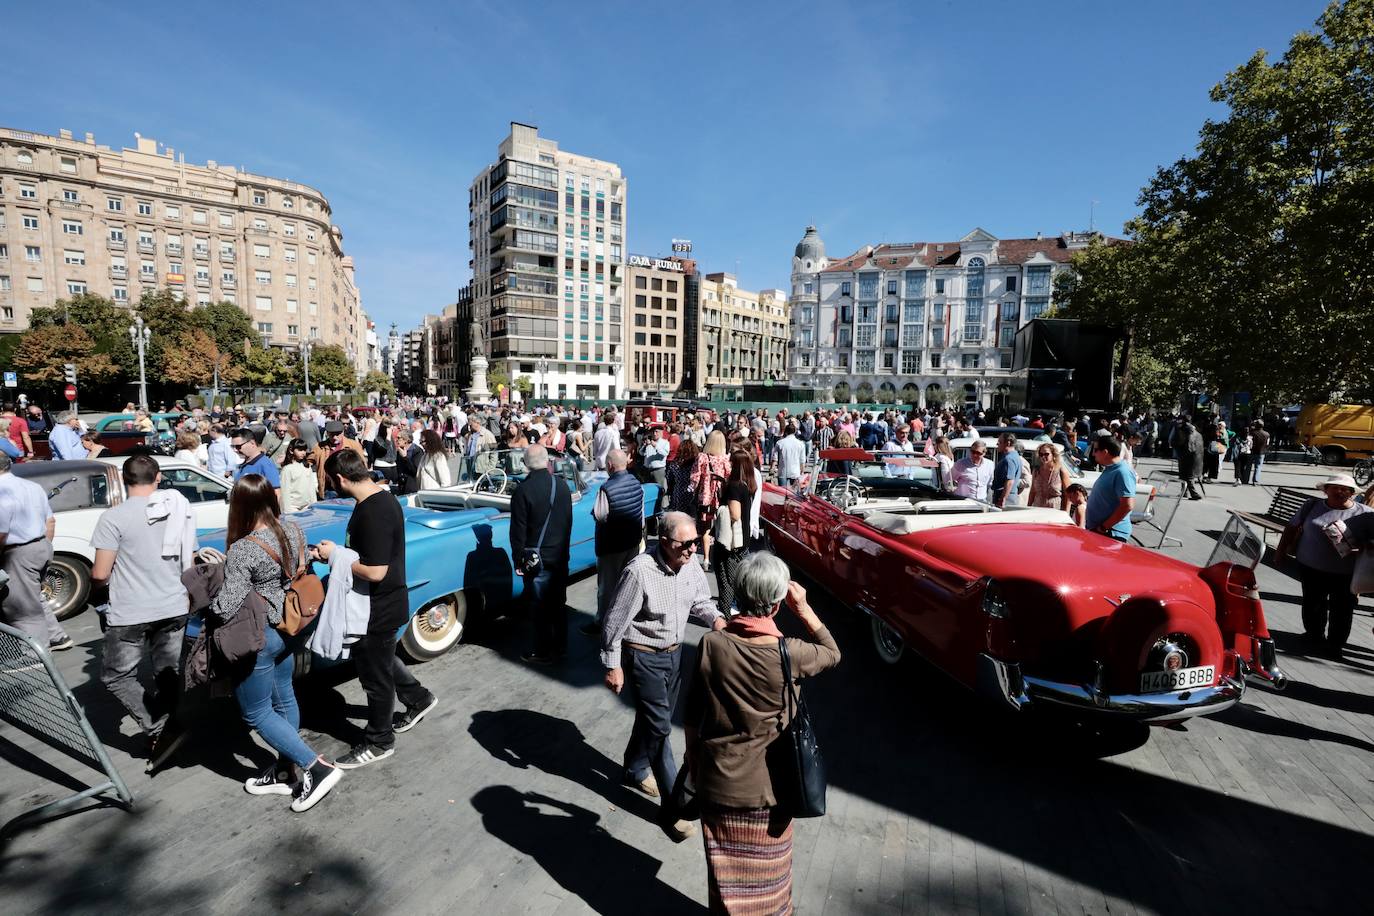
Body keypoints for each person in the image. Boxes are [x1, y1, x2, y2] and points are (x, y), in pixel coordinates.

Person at [684, 553, 840, 913]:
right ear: (775, 602)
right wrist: (803, 608)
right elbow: (833, 653)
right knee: (770, 886)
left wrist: (694, 762)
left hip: (718, 786)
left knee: (724, 886)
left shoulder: (713, 645)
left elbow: (692, 714)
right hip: (772, 792)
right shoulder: (792, 653)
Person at [209, 474, 342, 812]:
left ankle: (316, 767)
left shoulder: (243, 549)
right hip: (291, 627)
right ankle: (286, 769)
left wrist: (215, 571)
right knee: (284, 697)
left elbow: (226, 606)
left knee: (256, 713)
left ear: (239, 505)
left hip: (260, 634)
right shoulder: (294, 529)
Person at [600, 511, 727, 840]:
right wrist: (612, 665)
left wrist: (717, 620)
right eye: (687, 545)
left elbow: (700, 600)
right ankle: (674, 809)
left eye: (697, 543)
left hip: (673, 655)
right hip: (643, 657)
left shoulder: (691, 562)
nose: (694, 550)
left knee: (655, 717)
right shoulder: (639, 571)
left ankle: (634, 767)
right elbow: (614, 621)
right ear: (667, 542)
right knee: (660, 729)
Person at [317, 449, 437, 767]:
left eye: (332, 480)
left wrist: (335, 555)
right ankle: (419, 698)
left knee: (375, 677)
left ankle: (379, 741)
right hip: (382, 603)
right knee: (382, 661)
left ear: (341, 478)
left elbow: (375, 571)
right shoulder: (380, 499)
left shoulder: (373, 511)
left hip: (377, 607)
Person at [90, 454, 196, 771]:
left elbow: (99, 574)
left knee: (116, 675)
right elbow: (187, 557)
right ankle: (166, 727)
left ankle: (160, 727)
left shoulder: (114, 517)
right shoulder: (178, 510)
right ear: (159, 477)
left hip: (132, 611)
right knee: (166, 672)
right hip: (174, 604)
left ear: (124, 480)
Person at [1278, 473, 1370, 657]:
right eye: (1334, 487)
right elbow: (1291, 527)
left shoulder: (1365, 513)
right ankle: (1313, 636)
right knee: (1312, 605)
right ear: (1326, 490)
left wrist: (1360, 546)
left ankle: (1335, 646)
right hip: (1310, 567)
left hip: (1346, 573)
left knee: (1342, 611)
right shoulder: (1311, 506)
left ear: (1352, 493)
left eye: (1345, 489)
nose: (1339, 491)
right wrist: (1280, 551)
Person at [0, 453, 72, 650]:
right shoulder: (32, 486)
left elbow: (1, 532)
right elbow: (50, 520)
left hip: (18, 552)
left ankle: (35, 656)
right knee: (34, 597)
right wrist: (45, 545)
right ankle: (57, 637)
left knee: (22, 608)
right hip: (41, 546)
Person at [510, 444, 574, 665]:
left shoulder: (522, 491)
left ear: (526, 464)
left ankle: (542, 650)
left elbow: (518, 532)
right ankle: (562, 646)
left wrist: (518, 559)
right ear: (548, 461)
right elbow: (567, 523)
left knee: (539, 606)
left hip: (536, 558)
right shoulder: (562, 486)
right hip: (559, 554)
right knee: (558, 603)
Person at [582, 449, 644, 637]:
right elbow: (639, 514)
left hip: (611, 545)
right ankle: (627, 618)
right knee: (628, 583)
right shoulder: (635, 482)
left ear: (609, 466)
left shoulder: (606, 488)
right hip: (632, 542)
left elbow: (600, 516)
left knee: (607, 587)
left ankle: (602, 622)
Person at [714, 451, 757, 616]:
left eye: (730, 462)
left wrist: (720, 504)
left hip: (730, 543)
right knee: (737, 582)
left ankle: (726, 618)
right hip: (742, 541)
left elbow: (735, 514)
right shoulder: (747, 484)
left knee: (727, 582)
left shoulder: (734, 486)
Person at [1084, 437, 1137, 542]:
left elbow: (1127, 505)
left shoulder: (1122, 472)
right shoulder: (1110, 468)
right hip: (1101, 531)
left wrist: (1104, 527)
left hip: (1111, 533)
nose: (1093, 454)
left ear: (1105, 452)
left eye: (1095, 450)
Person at [693, 430, 732, 568]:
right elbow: (728, 475)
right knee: (720, 526)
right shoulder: (724, 459)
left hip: (705, 497)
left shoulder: (702, 457)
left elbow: (695, 477)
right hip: (720, 496)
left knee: (706, 529)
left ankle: (706, 559)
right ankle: (721, 558)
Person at [232, 427, 282, 502]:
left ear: (252, 443)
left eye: (238, 446)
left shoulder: (265, 465)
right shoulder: (245, 464)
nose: (235, 450)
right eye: (233, 446)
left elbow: (276, 494)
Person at [1029, 442, 1071, 510]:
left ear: (1053, 455)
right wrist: (1028, 507)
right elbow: (1032, 492)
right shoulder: (1036, 471)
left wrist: (1066, 512)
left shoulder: (1061, 471)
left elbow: (1068, 495)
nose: (1043, 457)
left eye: (1046, 454)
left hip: (1054, 509)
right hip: (1037, 509)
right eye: (1041, 454)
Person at [280, 439, 318, 513]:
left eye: (304, 450)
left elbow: (311, 487)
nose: (303, 453)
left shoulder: (307, 467)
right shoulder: (287, 469)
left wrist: (314, 504)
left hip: (307, 506)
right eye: (300, 450)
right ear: (291, 450)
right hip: (293, 507)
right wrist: (287, 511)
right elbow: (285, 492)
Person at [640, 426, 670, 517]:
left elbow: (665, 453)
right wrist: (644, 446)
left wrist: (655, 445)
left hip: (658, 470)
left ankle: (662, 510)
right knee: (649, 490)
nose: (654, 434)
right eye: (653, 432)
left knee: (661, 490)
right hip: (648, 469)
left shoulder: (664, 443)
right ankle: (650, 510)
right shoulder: (649, 442)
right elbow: (641, 453)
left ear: (661, 432)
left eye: (656, 432)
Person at [1173, 416, 1205, 500]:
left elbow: (1189, 447)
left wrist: (1180, 450)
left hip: (1189, 457)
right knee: (1185, 476)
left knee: (1188, 476)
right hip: (1196, 458)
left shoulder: (1188, 431)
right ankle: (1184, 492)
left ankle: (1194, 494)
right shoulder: (1197, 432)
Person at [990, 434, 1024, 508]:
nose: (997, 444)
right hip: (1009, 496)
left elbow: (1010, 481)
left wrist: (1003, 498)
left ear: (1008, 443)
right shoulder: (1015, 456)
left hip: (1006, 498)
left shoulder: (1009, 459)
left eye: (1000, 442)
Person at [774, 423, 807, 490]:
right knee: (794, 494)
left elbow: (775, 458)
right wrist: (802, 470)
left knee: (782, 493)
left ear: (785, 431)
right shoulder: (801, 444)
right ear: (795, 431)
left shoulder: (780, 443)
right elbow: (802, 460)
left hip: (782, 471)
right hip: (795, 471)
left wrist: (772, 468)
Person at [1250, 421, 1271, 486]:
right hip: (1261, 452)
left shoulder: (1253, 433)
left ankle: (1244, 479)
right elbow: (1267, 444)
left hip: (1252, 451)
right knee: (1258, 466)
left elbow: (1250, 442)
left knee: (1248, 465)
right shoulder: (1267, 434)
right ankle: (1255, 480)